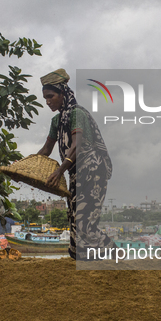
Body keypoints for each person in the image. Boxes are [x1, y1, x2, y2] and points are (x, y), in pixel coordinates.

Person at [37, 69, 117, 260]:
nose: (48, 101)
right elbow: (46, 150)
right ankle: (82, 260)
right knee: (74, 219)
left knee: (84, 222)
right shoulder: (57, 120)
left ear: (63, 94)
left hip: (92, 171)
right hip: (75, 173)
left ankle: (115, 252)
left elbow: (77, 145)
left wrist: (59, 171)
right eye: (45, 98)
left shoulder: (77, 114)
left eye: (51, 96)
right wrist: (24, 165)